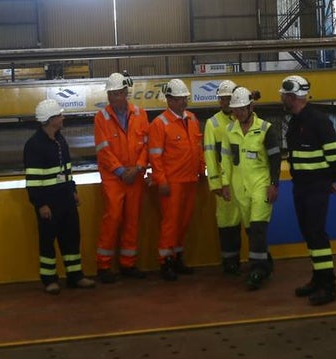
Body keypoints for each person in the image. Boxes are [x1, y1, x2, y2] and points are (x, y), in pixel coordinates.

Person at [280, 74, 336, 306]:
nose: (281, 99)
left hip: (316, 188)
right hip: (302, 187)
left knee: (317, 235)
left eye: (284, 95)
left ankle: (328, 286)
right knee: (309, 234)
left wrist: (327, 181)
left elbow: (335, 158)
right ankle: (317, 278)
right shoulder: (296, 121)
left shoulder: (318, 121)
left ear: (292, 96)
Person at [23, 98, 96, 295]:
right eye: (59, 116)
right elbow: (32, 180)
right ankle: (49, 280)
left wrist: (73, 191)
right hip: (49, 203)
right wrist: (41, 205)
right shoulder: (34, 145)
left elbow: (66, 170)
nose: (63, 118)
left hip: (66, 200)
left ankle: (75, 276)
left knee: (71, 238)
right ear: (50, 119)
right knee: (48, 242)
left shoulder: (60, 140)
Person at [219, 87, 281, 291]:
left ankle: (258, 271)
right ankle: (265, 261)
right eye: (235, 110)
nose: (238, 114)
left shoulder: (265, 129)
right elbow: (226, 160)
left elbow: (275, 158)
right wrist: (225, 184)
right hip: (239, 189)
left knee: (258, 226)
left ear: (251, 107)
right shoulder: (230, 131)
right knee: (250, 230)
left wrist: (274, 184)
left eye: (242, 110)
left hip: (260, 185)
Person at [92, 72, 149, 282]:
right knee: (113, 218)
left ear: (125, 93)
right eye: (110, 94)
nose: (113, 98)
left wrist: (139, 168)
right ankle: (103, 266)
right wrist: (120, 171)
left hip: (134, 176)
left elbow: (146, 145)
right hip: (114, 179)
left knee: (132, 220)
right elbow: (103, 149)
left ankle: (128, 264)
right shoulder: (101, 118)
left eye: (117, 94)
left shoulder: (140, 114)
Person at [148, 78, 205, 281]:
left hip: (190, 180)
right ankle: (166, 262)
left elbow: (197, 147)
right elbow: (155, 156)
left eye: (185, 98)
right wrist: (161, 181)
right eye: (180, 99)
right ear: (169, 100)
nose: (184, 102)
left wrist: (201, 169)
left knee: (183, 221)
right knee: (170, 223)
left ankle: (177, 257)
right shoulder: (159, 124)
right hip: (171, 183)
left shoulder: (191, 119)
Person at [203, 79, 242, 274]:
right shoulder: (213, 123)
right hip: (226, 184)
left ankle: (258, 260)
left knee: (253, 222)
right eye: (222, 99)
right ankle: (230, 261)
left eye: (228, 98)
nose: (224, 102)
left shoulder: (244, 118)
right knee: (228, 223)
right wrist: (215, 183)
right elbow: (210, 156)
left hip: (246, 182)